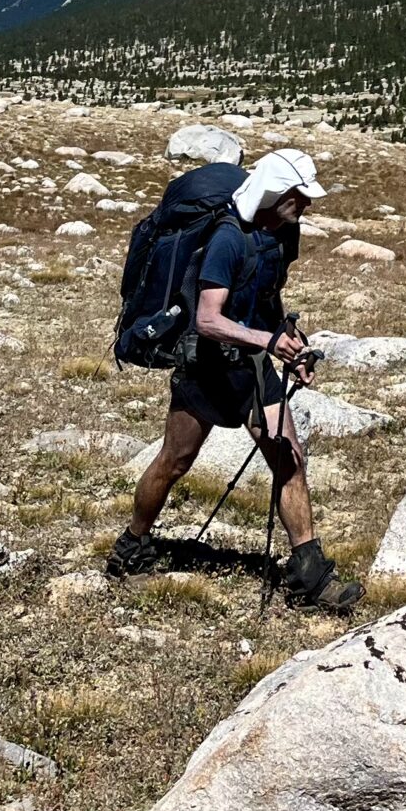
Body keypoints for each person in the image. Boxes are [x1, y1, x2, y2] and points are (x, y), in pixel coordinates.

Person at [106, 146, 363, 610]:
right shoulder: (228, 238)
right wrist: (266, 340)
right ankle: (132, 546)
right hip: (206, 368)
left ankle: (311, 576)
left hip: (253, 366)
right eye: (298, 197)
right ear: (272, 193)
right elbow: (207, 318)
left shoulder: (282, 235)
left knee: (289, 456)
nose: (305, 206)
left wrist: (290, 341)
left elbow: (267, 299)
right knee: (174, 460)